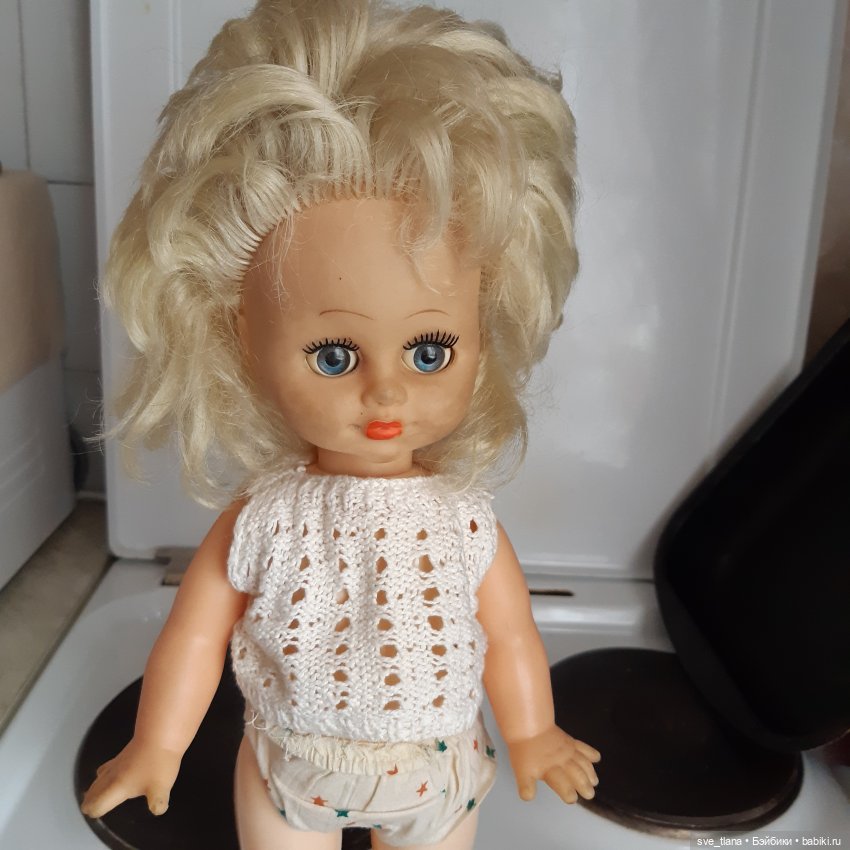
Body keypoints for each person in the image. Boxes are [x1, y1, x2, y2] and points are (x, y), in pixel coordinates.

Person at [81, 2, 600, 847]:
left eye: (430, 351)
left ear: (483, 330)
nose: (386, 392)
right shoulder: (262, 522)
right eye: (333, 356)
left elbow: (509, 633)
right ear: (243, 337)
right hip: (292, 769)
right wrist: (158, 744)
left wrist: (534, 731)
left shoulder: (465, 521)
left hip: (441, 771)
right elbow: (196, 634)